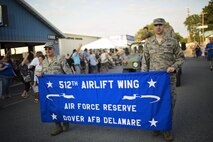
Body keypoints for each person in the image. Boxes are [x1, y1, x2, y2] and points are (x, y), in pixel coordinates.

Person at [141, 18, 185, 141]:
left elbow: (181, 58)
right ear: (153, 27)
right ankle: (156, 125)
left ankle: (166, 129)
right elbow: (145, 61)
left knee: (169, 103)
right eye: (156, 25)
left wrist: (174, 66)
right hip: (153, 81)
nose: (158, 27)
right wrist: (143, 78)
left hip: (168, 79)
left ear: (164, 26)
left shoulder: (172, 42)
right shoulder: (148, 43)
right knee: (153, 103)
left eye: (160, 25)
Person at [37, 42, 72, 136]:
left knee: (62, 106)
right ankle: (58, 126)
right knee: (53, 107)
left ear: (53, 49)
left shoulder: (60, 59)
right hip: (50, 90)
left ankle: (65, 121)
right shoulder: (44, 61)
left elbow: (68, 73)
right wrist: (40, 74)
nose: (47, 51)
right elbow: (42, 72)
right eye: (46, 49)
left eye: (49, 49)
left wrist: (70, 86)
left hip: (60, 88)